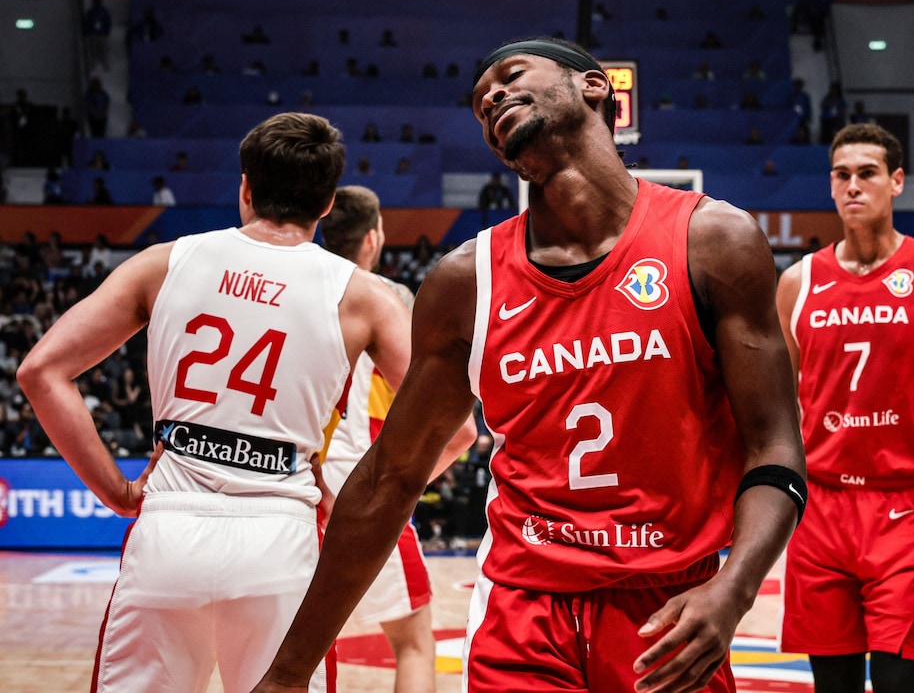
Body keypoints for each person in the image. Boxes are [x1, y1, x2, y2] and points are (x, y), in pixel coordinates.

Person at [250, 36, 806, 693]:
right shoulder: (465, 280)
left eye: (511, 76)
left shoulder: (714, 240)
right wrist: (287, 674)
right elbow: (390, 476)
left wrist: (734, 590)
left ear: (595, 87)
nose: (492, 98)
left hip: (669, 607)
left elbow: (773, 446)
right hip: (524, 608)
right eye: (481, 102)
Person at [16, 112, 415, 693]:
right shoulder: (366, 296)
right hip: (283, 533)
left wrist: (115, 490)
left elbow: (41, 370)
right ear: (328, 203)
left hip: (170, 523)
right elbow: (451, 421)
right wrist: (360, 495)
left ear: (246, 188)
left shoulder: (166, 262)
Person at [776, 122, 914, 692]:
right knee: (833, 687)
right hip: (820, 508)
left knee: (900, 685)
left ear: (896, 181)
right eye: (842, 175)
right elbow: (777, 408)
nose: (853, 186)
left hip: (907, 506)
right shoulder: (797, 283)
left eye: (867, 173)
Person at [318, 185, 477, 693]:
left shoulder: (292, 289)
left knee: (296, 647)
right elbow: (461, 432)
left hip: (287, 480)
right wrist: (400, 487)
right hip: (362, 478)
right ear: (372, 238)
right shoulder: (389, 300)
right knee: (412, 642)